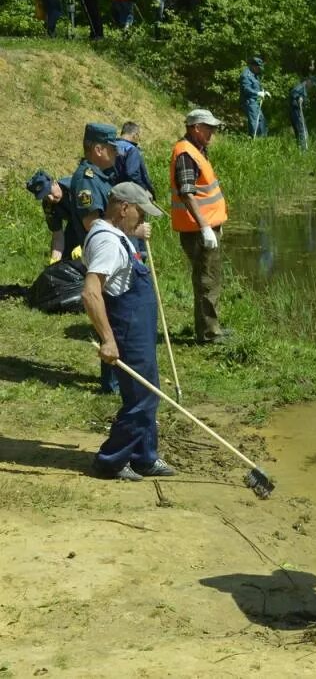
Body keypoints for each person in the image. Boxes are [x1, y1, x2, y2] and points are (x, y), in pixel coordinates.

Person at [81, 182, 177, 481]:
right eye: (139, 212)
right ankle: (110, 460)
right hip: (126, 329)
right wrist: (108, 340)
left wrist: (133, 234)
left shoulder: (115, 234)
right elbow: (91, 292)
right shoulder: (108, 242)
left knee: (149, 391)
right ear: (124, 208)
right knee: (142, 398)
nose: (142, 219)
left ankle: (144, 457)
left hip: (139, 327)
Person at [170, 108, 231, 345]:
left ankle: (211, 328)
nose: (212, 133)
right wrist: (205, 227)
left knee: (211, 278)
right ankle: (208, 334)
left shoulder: (197, 150)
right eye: (209, 129)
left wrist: (215, 224)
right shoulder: (186, 154)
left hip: (205, 227)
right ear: (196, 128)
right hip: (198, 231)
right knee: (207, 281)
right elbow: (187, 193)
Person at [70, 122, 120, 393]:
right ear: (98, 149)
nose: (115, 153)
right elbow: (92, 223)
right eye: (111, 148)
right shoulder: (87, 179)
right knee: (109, 312)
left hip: (110, 253)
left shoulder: (100, 175)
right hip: (102, 255)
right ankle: (112, 382)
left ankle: (114, 377)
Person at [25, 169, 83, 264]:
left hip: (103, 219)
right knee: (66, 258)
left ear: (55, 183)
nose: (50, 198)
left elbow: (97, 217)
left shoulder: (77, 187)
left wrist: (85, 246)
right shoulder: (48, 206)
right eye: (45, 196)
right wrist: (55, 261)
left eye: (49, 192)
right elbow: (58, 236)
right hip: (77, 223)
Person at [113, 121, 155, 196]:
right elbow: (133, 174)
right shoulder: (131, 149)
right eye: (138, 136)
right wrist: (144, 190)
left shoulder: (111, 145)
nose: (138, 139)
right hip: (126, 194)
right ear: (135, 135)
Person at [239, 56, 269, 138]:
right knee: (255, 124)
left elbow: (256, 87)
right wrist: (258, 93)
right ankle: (254, 142)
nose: (259, 69)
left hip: (255, 102)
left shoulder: (254, 75)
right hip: (249, 102)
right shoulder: (246, 75)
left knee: (262, 122)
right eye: (258, 67)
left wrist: (263, 92)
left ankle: (262, 142)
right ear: (253, 66)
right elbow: (246, 89)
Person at [289, 76, 315, 151]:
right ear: (309, 81)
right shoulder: (300, 87)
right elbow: (293, 92)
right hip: (296, 111)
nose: (312, 86)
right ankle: (304, 152)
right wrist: (299, 97)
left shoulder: (304, 88)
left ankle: (300, 150)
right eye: (312, 84)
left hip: (297, 111)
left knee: (300, 131)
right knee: (302, 130)